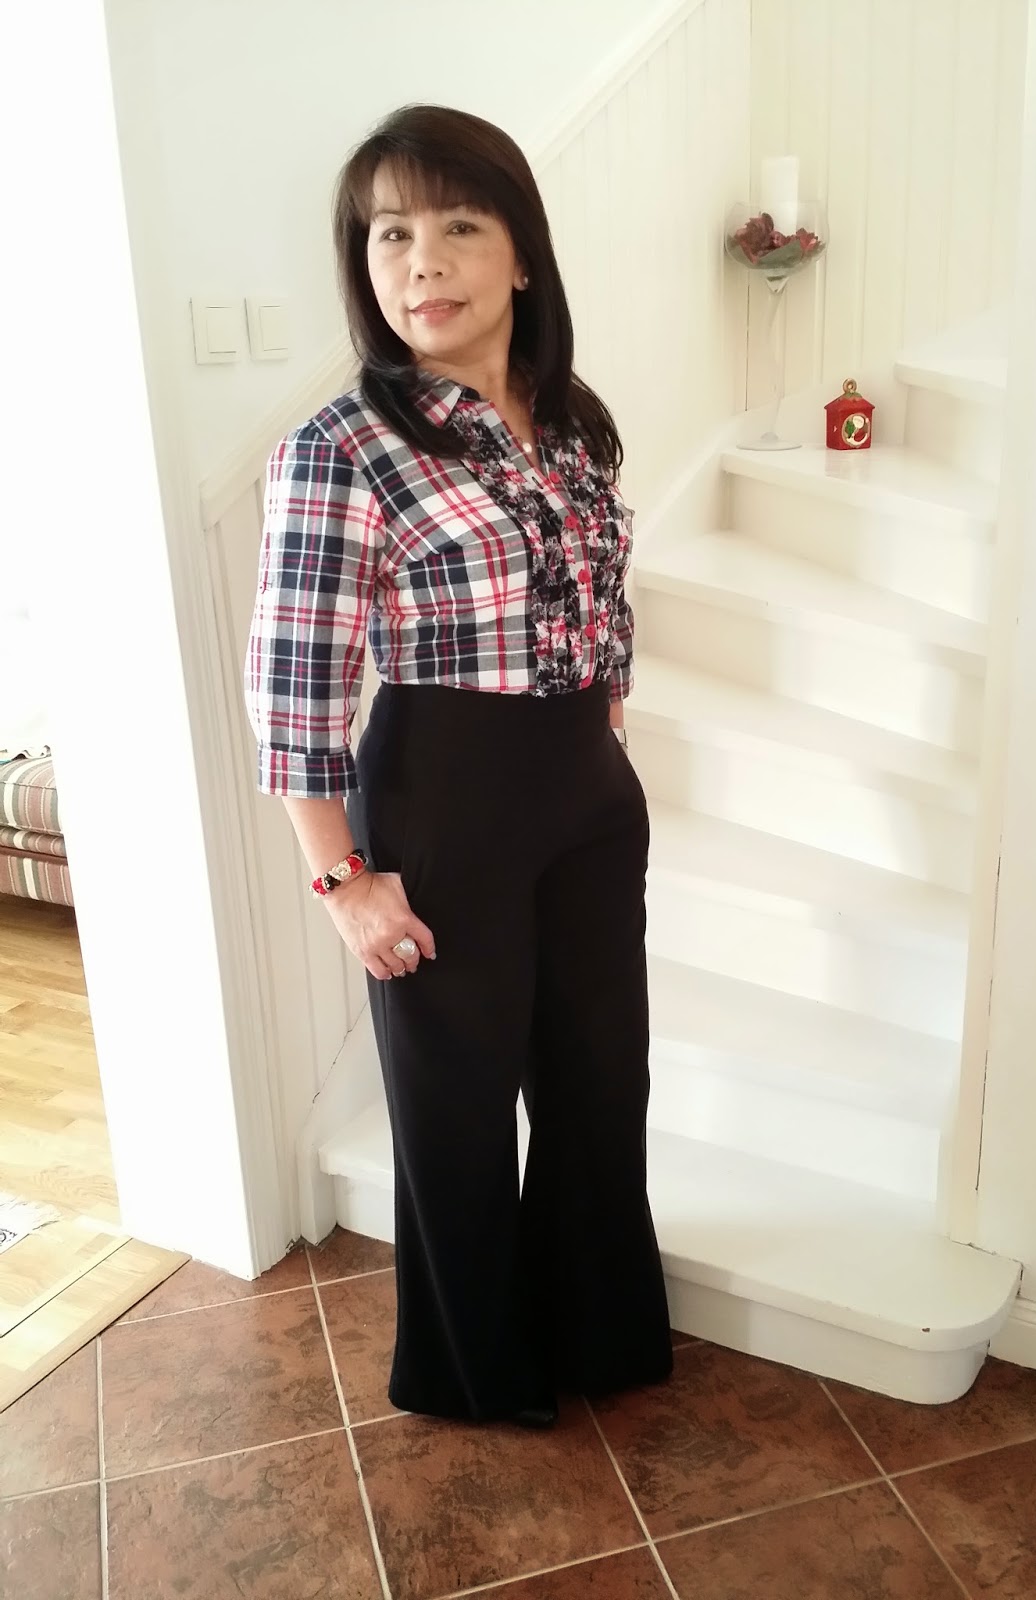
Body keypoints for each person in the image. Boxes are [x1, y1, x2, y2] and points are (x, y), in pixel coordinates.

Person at [244, 104, 674, 1427]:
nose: (421, 261)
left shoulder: (576, 422)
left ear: (521, 256)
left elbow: (603, 598)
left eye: (458, 227)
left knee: (601, 1077)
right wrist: (344, 883)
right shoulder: (343, 447)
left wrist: (603, 730)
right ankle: (474, 1366)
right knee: (458, 1103)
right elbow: (296, 683)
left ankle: (597, 1327)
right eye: (391, 235)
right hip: (443, 792)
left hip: (584, 787)